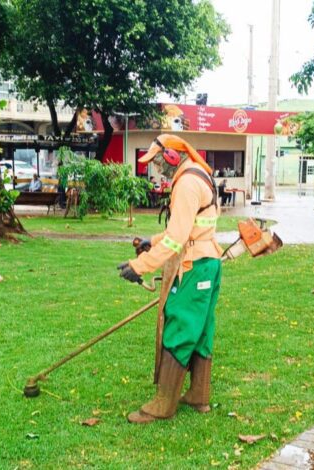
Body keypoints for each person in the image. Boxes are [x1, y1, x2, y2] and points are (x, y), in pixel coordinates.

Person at [117, 134, 222, 424]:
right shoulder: (198, 174)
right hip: (208, 262)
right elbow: (185, 228)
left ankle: (163, 404)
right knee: (200, 329)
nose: (156, 168)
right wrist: (153, 240)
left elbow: (177, 240)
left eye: (157, 161)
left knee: (179, 323)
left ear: (173, 157)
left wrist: (140, 266)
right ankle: (199, 396)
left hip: (194, 266)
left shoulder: (187, 184)